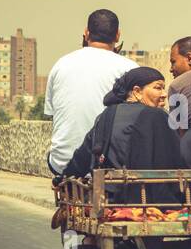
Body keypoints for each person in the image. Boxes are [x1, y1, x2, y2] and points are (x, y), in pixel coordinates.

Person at [62, 67, 182, 204]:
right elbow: (176, 159)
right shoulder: (159, 116)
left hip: (109, 201)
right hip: (148, 201)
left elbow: (83, 155)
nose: (164, 94)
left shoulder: (106, 116)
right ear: (137, 91)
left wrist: (62, 179)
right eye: (158, 88)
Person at [43, 9, 139, 176]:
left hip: (62, 163)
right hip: (109, 167)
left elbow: (53, 115)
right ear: (117, 36)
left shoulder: (61, 65)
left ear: (86, 33)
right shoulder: (130, 69)